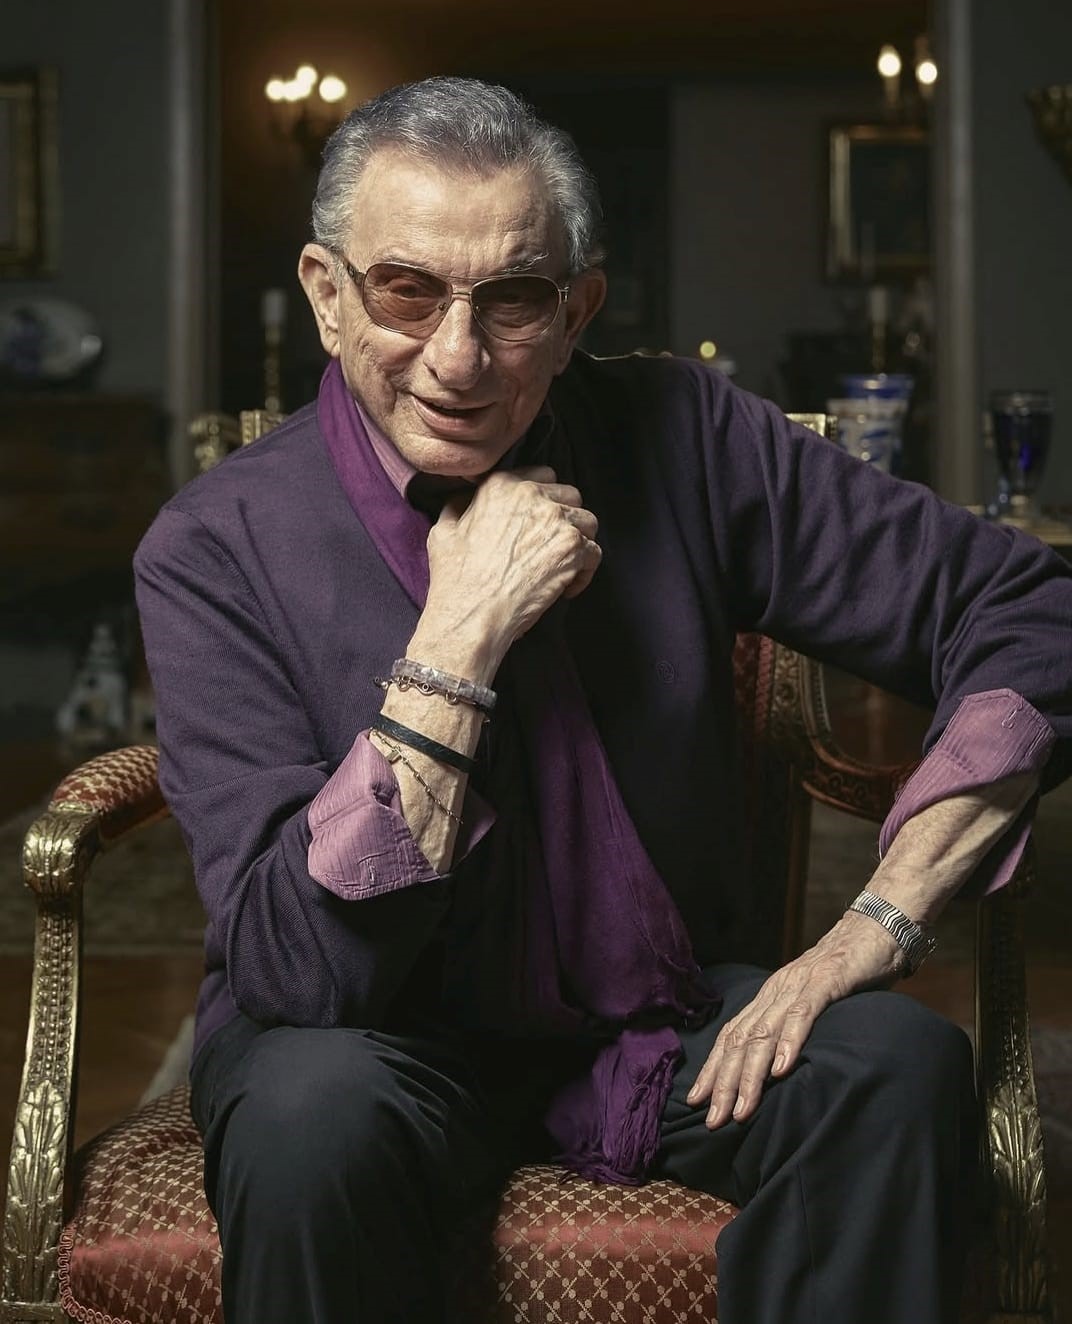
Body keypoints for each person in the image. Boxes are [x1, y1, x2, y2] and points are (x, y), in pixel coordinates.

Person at [134, 76, 1072, 1324]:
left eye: (512, 300)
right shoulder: (213, 545)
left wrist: (880, 921)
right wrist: (459, 633)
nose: (456, 357)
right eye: (406, 289)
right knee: (307, 1117)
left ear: (577, 308)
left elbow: (1032, 610)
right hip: (364, 1035)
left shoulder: (688, 435)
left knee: (892, 1065)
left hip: (657, 1018)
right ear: (327, 294)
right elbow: (296, 968)